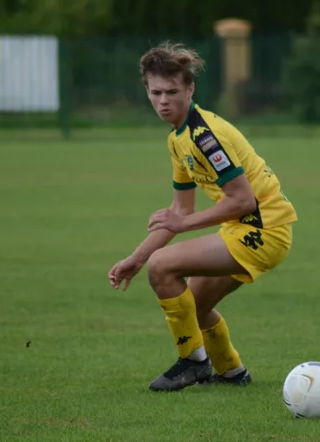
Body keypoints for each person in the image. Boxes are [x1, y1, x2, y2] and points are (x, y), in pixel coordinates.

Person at [108, 43, 298, 391]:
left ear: (190, 89)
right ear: (147, 91)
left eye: (172, 91)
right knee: (191, 307)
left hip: (262, 229)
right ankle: (231, 372)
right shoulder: (178, 139)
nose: (163, 100)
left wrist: (180, 228)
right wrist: (136, 258)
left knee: (163, 267)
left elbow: (242, 201)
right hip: (247, 227)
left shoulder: (204, 136)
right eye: (156, 93)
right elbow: (179, 210)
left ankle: (192, 363)